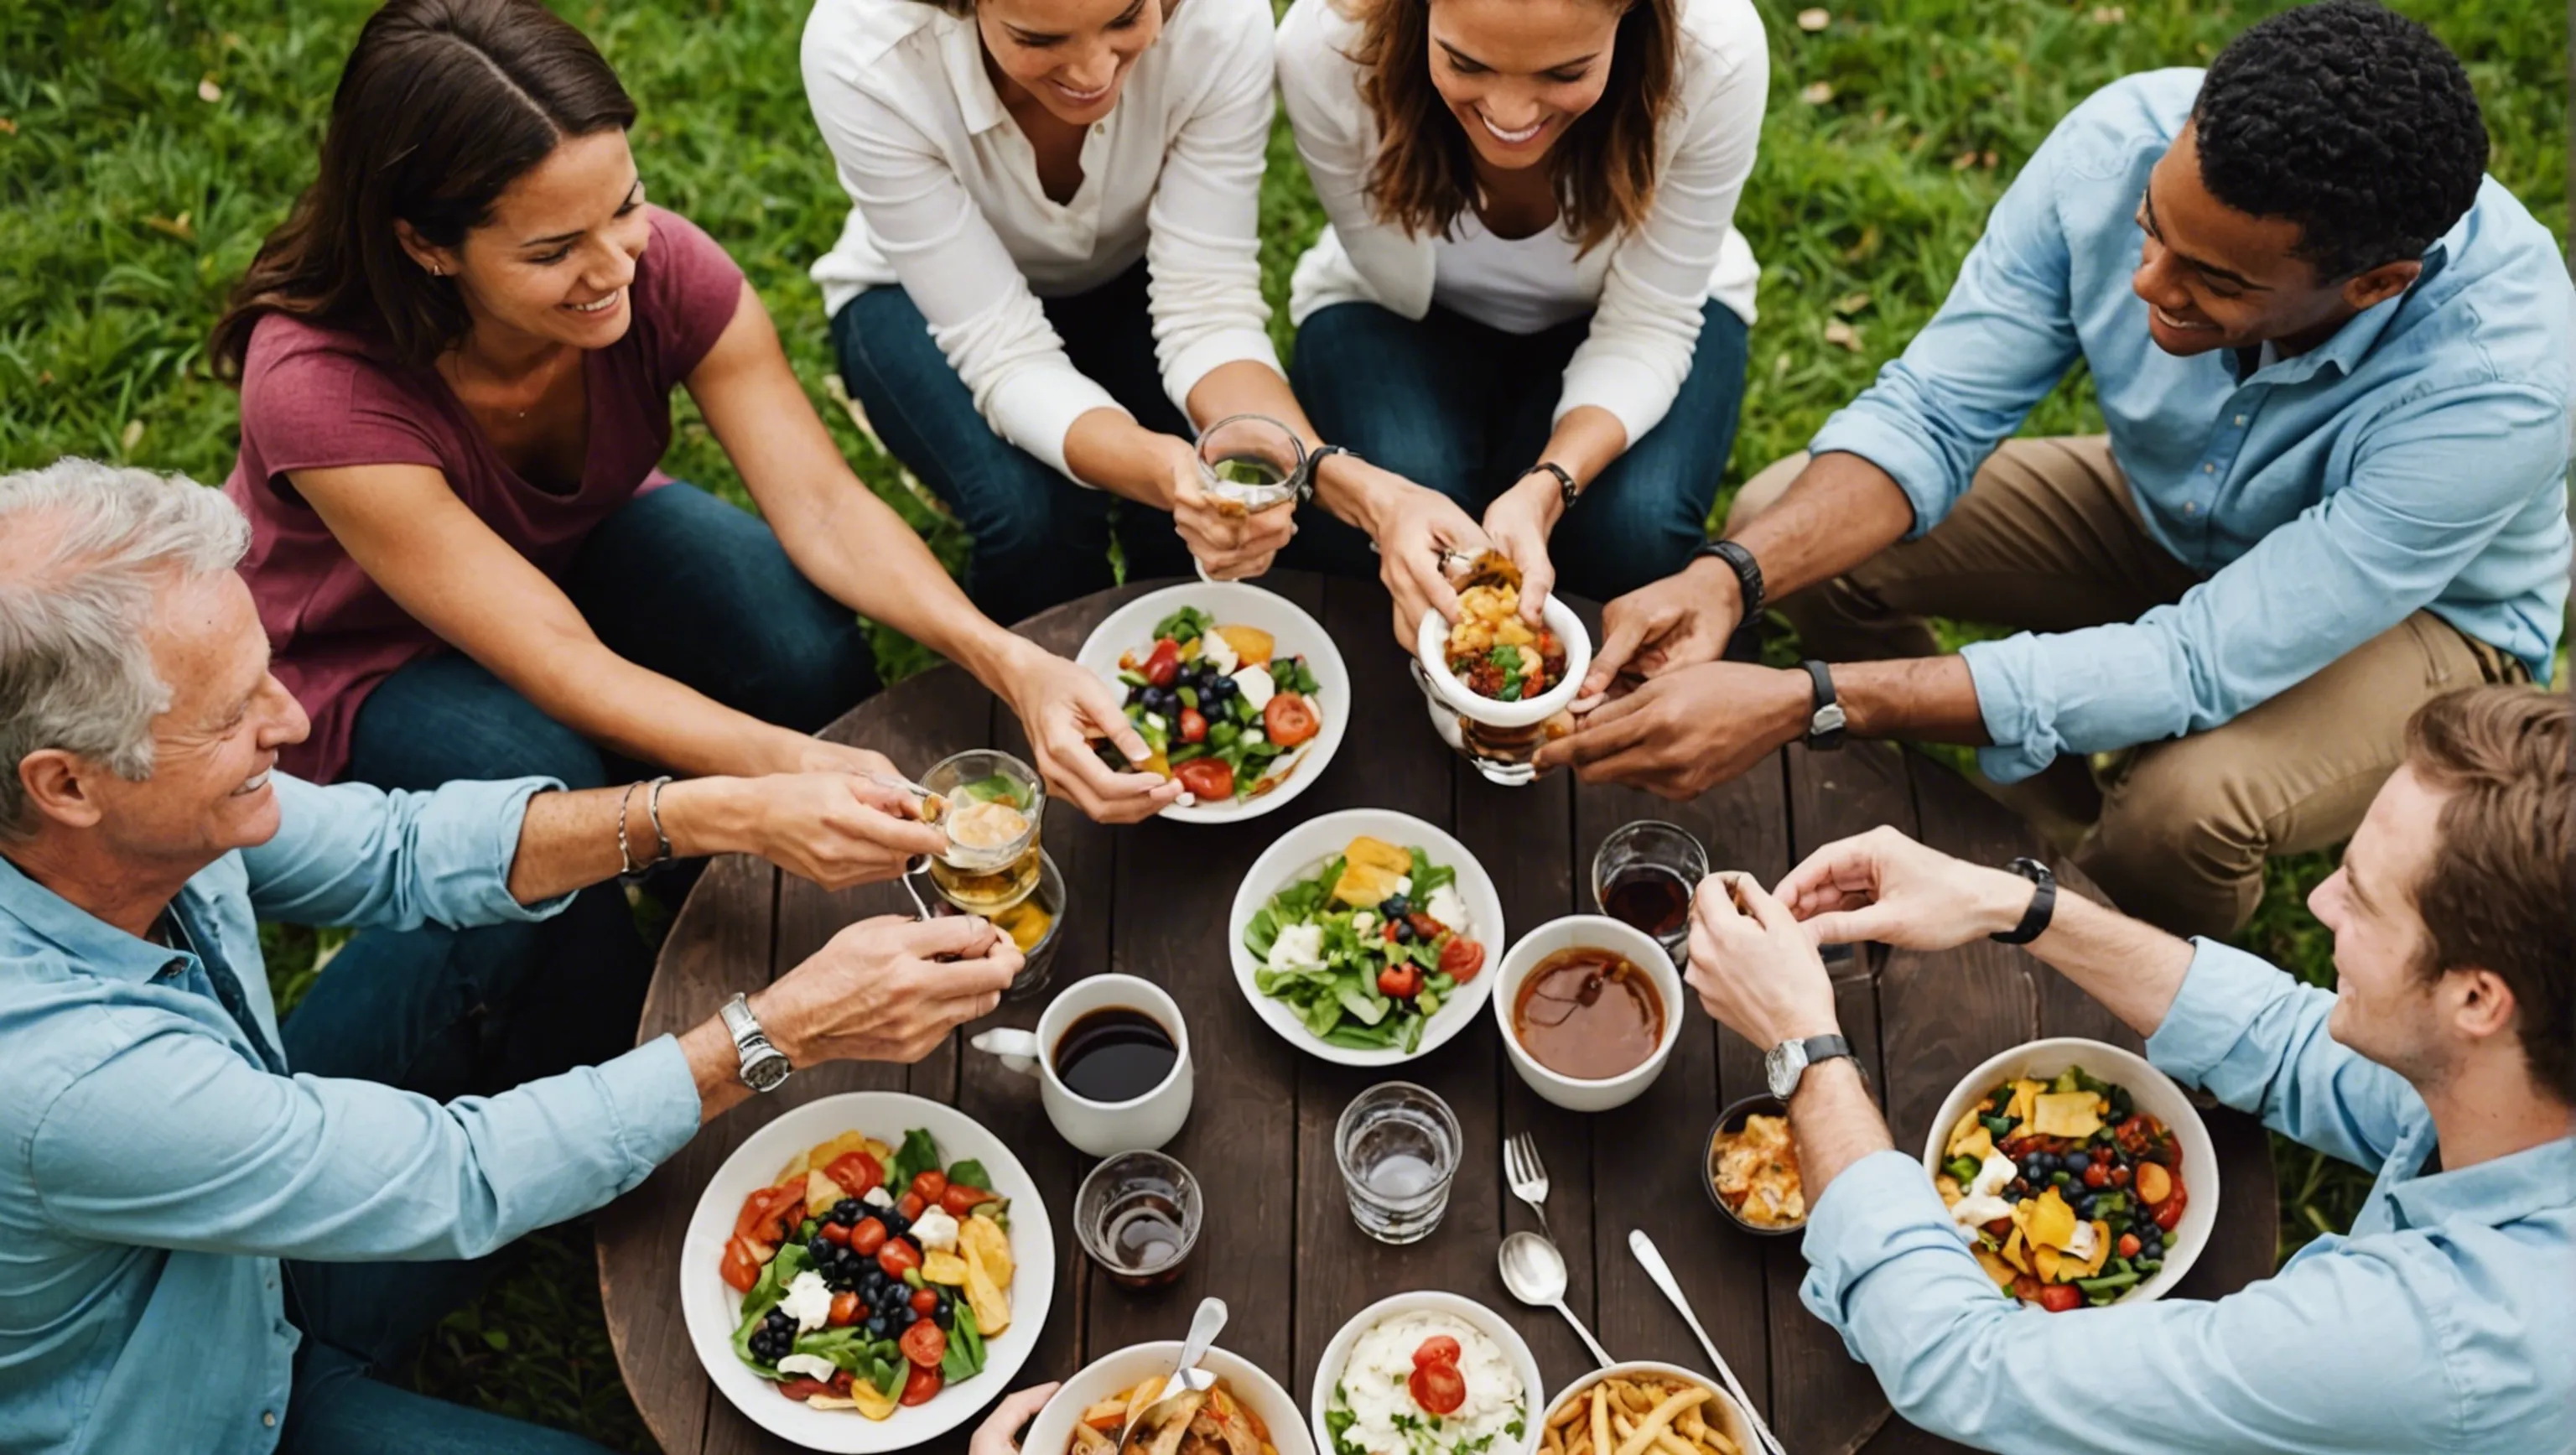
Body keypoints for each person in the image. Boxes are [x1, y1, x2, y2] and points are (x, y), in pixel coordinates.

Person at [0, 460, 1024, 1455]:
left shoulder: (125, 819)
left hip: (253, 1221)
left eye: (266, 670)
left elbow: (397, 851)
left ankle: (620, 1168)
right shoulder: (58, 1076)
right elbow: (459, 1173)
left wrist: (717, 807)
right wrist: (777, 1031)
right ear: (69, 784)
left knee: (521, 908)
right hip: (196, 1406)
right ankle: (610, 1152)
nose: (295, 720)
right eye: (232, 715)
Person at [213, 0, 1174, 1030]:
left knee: (801, 651)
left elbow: (825, 506)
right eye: (552, 251)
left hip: (575, 540)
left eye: (624, 205)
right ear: (427, 246)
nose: (620, 265)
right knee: (548, 781)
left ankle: (744, 886)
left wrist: (1006, 659)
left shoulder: (657, 265)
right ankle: (609, 994)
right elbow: (555, 658)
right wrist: (785, 765)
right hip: (371, 651)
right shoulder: (318, 385)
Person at [1541, 0, 2569, 938]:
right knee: (1780, 523)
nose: (2147, 284)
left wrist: (1811, 698)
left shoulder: (2502, 380)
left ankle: (2124, 948)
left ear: (2375, 284)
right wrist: (1727, 580)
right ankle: (2047, 824)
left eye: (2213, 280)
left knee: (2184, 810)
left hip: (2423, 621)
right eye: (2152, 230)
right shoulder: (2122, 139)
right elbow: (1936, 412)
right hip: (2172, 508)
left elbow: (2197, 661)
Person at [1682, 683, 2573, 1453]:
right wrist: (2011, 902)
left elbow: (1967, 1368)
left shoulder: (2432, 1337)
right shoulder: (2512, 1070)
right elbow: (2293, 1044)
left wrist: (1803, 1044)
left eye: (2364, 899)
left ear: (2477, 999)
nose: (2316, 900)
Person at [810, 0, 1407, 622]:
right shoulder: (863, 54)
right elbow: (1002, 351)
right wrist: (1163, 469)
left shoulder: (1220, 18)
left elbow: (1207, 309)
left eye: (1125, 19)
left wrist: (1322, 473)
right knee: (1033, 520)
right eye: (1037, 37)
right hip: (913, 298)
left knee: (1184, 533)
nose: (1093, 72)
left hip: (1128, 274)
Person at [1274, 0, 1765, 612]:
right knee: (1381, 520)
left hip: (1643, 308)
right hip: (1397, 311)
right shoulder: (1326, 42)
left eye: (1565, 74)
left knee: (1633, 533)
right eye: (1464, 63)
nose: (1510, 115)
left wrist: (1548, 483)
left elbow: (1650, 321)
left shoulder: (1717, 48)